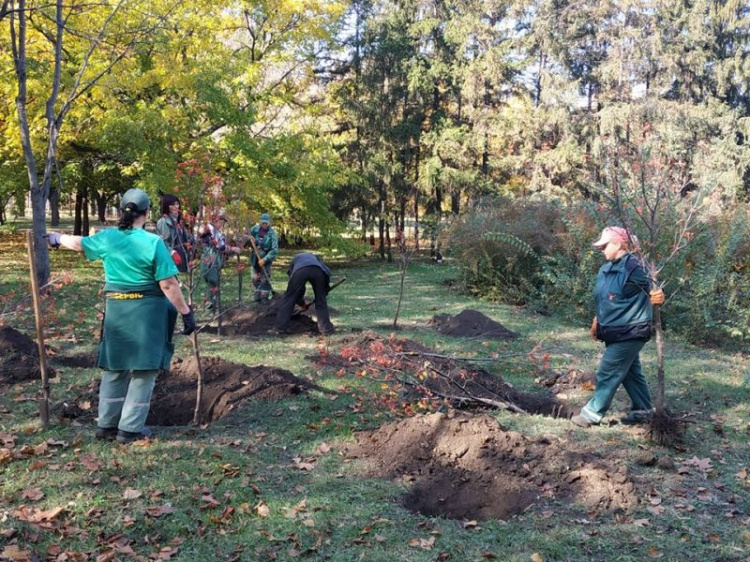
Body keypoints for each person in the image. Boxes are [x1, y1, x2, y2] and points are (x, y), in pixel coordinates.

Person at [47, 188, 195, 444]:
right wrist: (186, 313)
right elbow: (169, 285)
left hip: (116, 311)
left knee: (114, 368)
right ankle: (129, 429)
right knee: (143, 370)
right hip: (146, 314)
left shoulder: (109, 238)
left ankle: (106, 424)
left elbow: (80, 243)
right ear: (147, 213)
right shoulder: (153, 243)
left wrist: (57, 238)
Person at [571, 226, 665, 428]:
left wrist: (658, 294)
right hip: (614, 330)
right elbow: (606, 297)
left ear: (618, 243)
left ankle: (591, 414)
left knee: (608, 371)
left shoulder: (635, 266)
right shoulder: (606, 269)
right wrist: (598, 319)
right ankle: (643, 411)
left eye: (604, 245)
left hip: (631, 329)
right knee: (631, 372)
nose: (601, 249)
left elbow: (653, 286)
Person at [271, 252, 335, 336]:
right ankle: (326, 330)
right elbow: (326, 271)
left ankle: (279, 329)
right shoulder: (316, 258)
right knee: (321, 300)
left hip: (300, 271)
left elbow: (297, 290)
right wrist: (324, 290)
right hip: (318, 271)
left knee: (289, 299)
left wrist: (300, 302)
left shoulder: (295, 260)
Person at [198, 210, 240, 310]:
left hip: (215, 261)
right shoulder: (209, 229)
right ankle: (210, 305)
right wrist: (232, 249)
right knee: (212, 281)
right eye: (222, 222)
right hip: (210, 261)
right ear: (217, 220)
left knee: (214, 283)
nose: (222, 224)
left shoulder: (217, 231)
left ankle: (213, 305)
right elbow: (218, 246)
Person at [247, 213, 279, 302]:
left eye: (266, 223)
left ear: (269, 223)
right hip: (255, 258)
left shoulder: (272, 234)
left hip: (266, 260)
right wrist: (250, 238)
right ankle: (257, 299)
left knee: (264, 280)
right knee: (255, 279)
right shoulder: (255, 229)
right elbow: (248, 236)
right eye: (263, 223)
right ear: (260, 222)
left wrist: (265, 259)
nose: (264, 225)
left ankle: (264, 299)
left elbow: (275, 250)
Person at [156, 194, 191, 273]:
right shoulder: (163, 221)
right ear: (166, 206)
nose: (176, 206)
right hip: (169, 262)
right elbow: (162, 242)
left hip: (179, 262)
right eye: (172, 204)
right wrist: (172, 252)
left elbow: (182, 241)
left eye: (177, 204)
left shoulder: (177, 222)